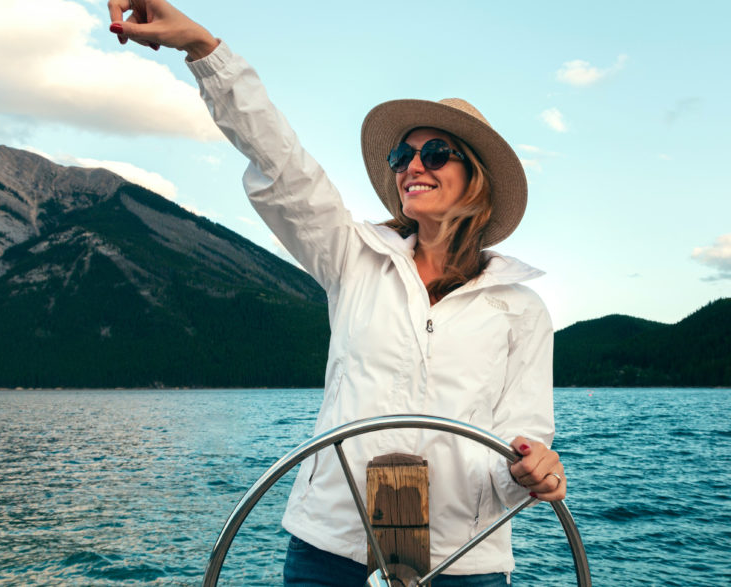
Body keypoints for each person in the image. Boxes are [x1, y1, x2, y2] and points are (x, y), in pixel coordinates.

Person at [107, 1, 567, 584]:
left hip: (463, 557)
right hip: (332, 545)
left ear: (474, 176)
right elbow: (283, 167)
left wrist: (530, 470)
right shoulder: (353, 257)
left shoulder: (520, 309)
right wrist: (205, 50)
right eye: (403, 155)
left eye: (435, 152)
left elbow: (518, 440)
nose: (412, 165)